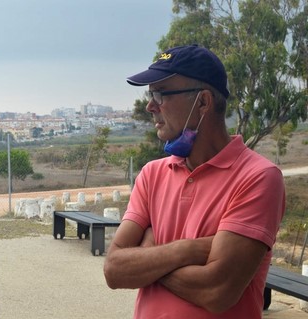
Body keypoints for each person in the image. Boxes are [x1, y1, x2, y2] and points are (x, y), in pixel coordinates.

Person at [103, 45, 285, 319]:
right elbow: (114, 269)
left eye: (160, 94)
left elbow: (216, 291)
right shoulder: (152, 175)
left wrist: (149, 256)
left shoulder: (258, 177)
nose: (150, 106)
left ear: (203, 102)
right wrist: (188, 249)